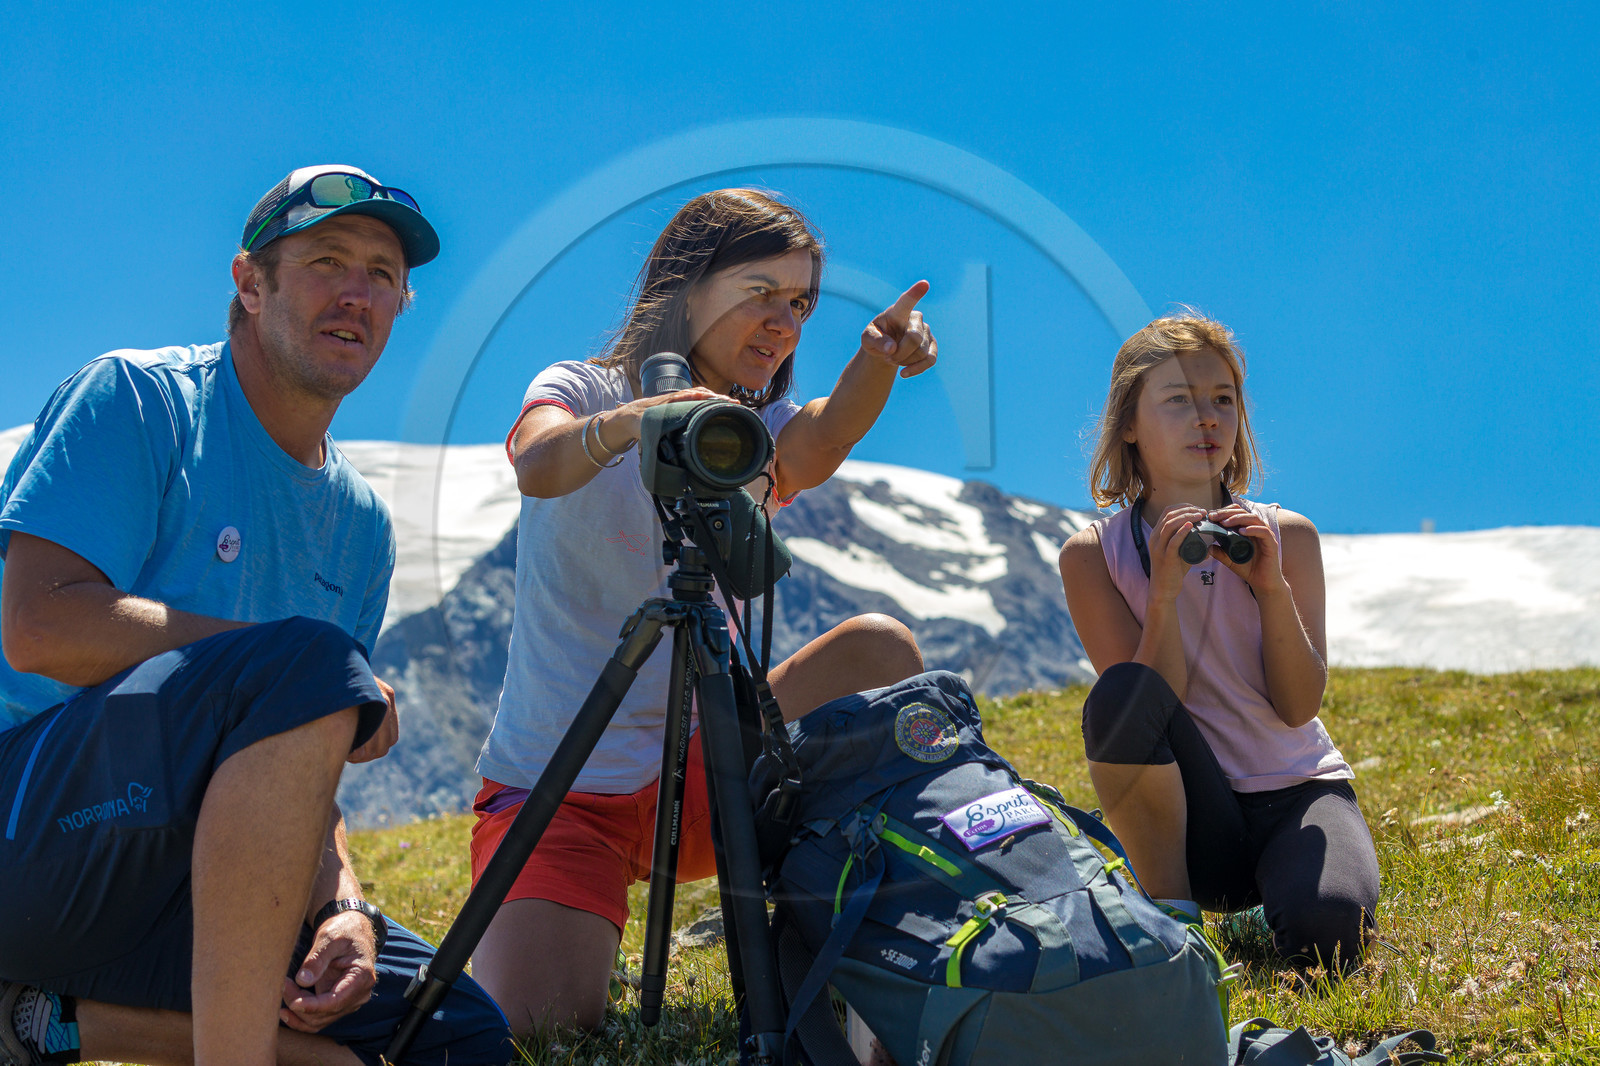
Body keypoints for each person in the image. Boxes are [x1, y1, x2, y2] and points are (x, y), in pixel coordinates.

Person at [0, 166, 511, 1066]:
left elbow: (295, 760)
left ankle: (43, 1020)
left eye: (384, 276)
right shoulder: (137, 399)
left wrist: (342, 905)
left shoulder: (359, 528)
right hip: (35, 841)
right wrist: (295, 667)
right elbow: (38, 625)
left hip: (194, 873)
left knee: (456, 1035)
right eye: (325, 261)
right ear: (249, 282)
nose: (357, 293)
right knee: (307, 664)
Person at [470, 188, 935, 1036]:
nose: (784, 323)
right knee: (539, 1025)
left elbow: (823, 437)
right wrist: (634, 422)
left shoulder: (750, 433)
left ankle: (902, 909)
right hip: (559, 790)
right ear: (687, 288)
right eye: (761, 292)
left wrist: (877, 359)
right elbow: (538, 462)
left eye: (800, 304)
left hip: (714, 765)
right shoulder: (582, 386)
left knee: (879, 651)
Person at [1058, 311, 1379, 971]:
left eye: (1222, 400)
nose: (1206, 418)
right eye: (1178, 400)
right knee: (1119, 691)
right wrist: (1166, 594)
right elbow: (1142, 710)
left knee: (1331, 941)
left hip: (1298, 792)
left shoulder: (1290, 536)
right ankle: (1174, 933)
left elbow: (1298, 707)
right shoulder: (1093, 555)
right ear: (1128, 424)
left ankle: (1294, 890)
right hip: (1189, 820)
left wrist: (1270, 588)